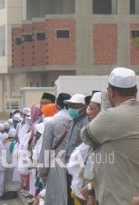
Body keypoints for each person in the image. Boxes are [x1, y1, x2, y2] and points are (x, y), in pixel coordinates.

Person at [81, 67, 139, 204]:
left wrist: (105, 109)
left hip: (117, 198)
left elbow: (85, 135)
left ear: (111, 92)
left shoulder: (111, 117)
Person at [37, 96, 73, 205]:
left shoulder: (52, 122)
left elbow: (46, 147)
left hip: (56, 164)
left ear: (56, 106)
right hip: (74, 163)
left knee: (57, 198)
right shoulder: (75, 121)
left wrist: (43, 170)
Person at [63, 93, 89, 205]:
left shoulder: (85, 122)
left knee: (78, 197)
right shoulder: (74, 121)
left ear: (83, 107)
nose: (71, 109)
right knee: (71, 196)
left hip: (79, 168)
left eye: (75, 106)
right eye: (70, 106)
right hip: (71, 166)